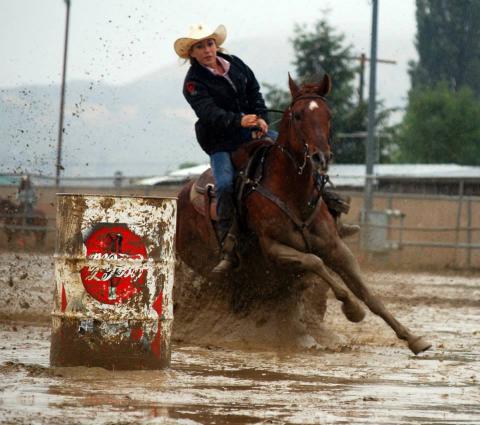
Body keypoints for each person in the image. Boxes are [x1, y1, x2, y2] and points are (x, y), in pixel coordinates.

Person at [175, 23, 275, 276]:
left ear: (215, 45)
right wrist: (239, 120)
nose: (207, 50)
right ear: (192, 54)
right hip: (221, 142)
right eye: (200, 46)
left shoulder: (235, 63)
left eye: (209, 43)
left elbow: (255, 93)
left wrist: (262, 118)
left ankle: (327, 208)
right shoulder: (193, 83)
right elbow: (208, 113)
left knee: (295, 153)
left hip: (251, 131)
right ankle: (229, 246)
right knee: (226, 184)